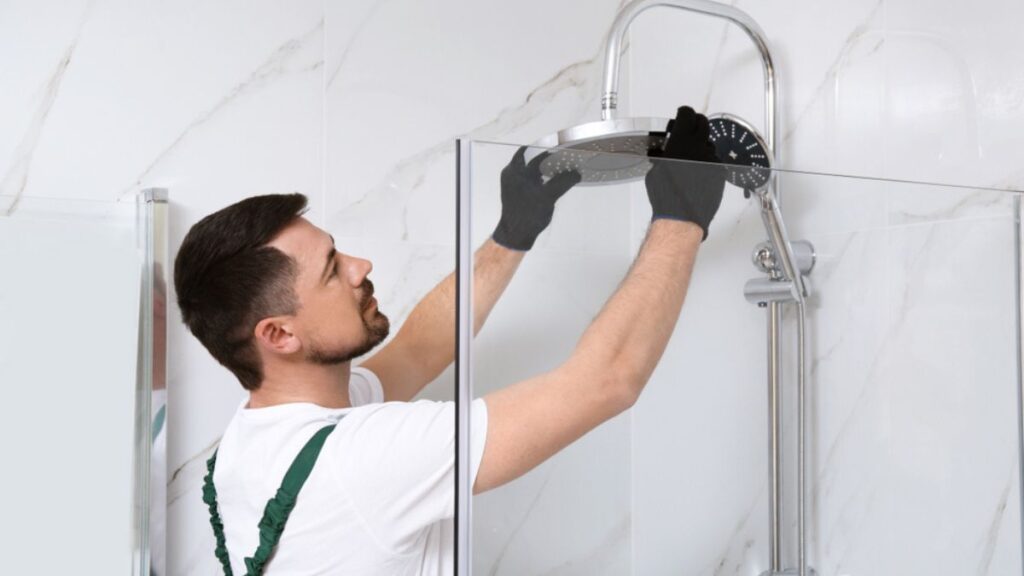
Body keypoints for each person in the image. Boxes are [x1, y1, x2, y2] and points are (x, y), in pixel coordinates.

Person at [173, 105, 724, 575]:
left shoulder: (262, 437)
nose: (361, 266)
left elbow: (419, 348)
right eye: (331, 270)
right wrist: (681, 219)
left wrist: (513, 232)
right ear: (279, 334)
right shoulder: (362, 458)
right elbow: (606, 381)